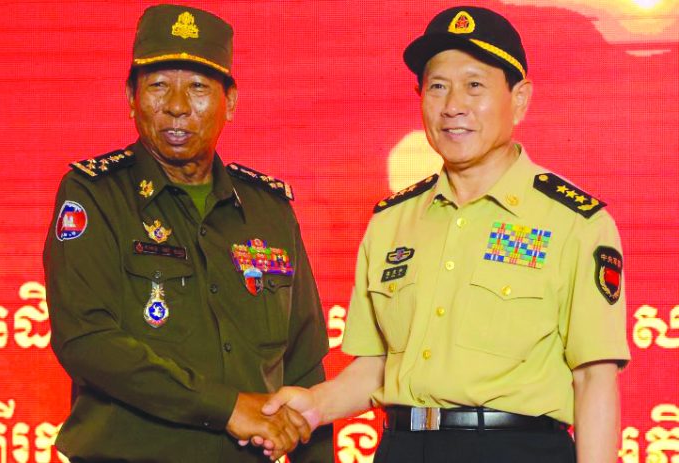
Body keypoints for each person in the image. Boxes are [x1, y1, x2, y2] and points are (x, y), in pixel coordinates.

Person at [259, 5, 630, 463]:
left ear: (519, 98)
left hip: (517, 448)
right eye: (438, 87)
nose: (453, 106)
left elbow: (594, 378)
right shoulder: (391, 222)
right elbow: (377, 368)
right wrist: (315, 405)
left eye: (474, 85)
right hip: (403, 447)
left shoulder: (575, 221)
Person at [43, 4, 332, 462]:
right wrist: (226, 407)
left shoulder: (268, 209)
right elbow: (86, 340)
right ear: (131, 96)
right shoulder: (94, 194)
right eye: (159, 86)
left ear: (230, 101)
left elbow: (305, 364)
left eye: (198, 87)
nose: (177, 106)